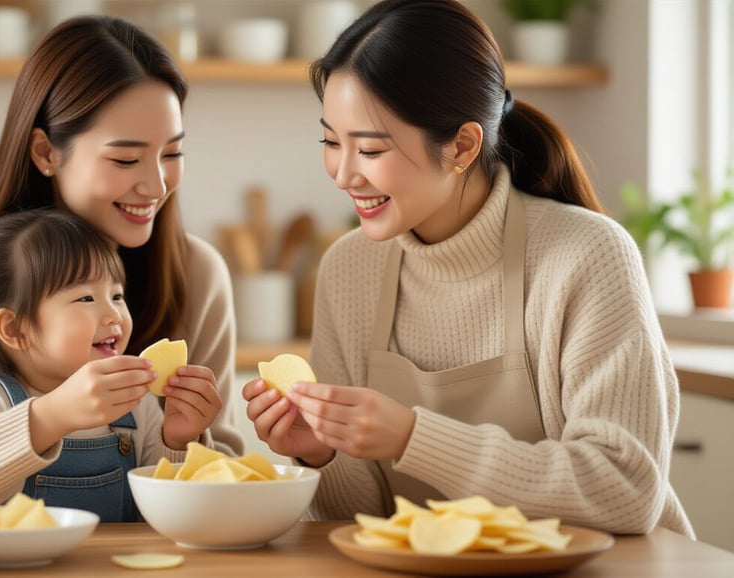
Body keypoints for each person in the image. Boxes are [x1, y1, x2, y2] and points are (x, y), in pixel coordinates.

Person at [243, 0, 693, 536]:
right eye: (330, 142)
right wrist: (323, 453)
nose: (342, 174)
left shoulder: (587, 255)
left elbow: (625, 490)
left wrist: (415, 438)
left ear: (461, 145)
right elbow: (359, 521)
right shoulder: (349, 267)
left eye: (368, 149)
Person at [0, 16, 243, 525]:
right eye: (126, 159)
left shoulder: (196, 271)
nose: (156, 185)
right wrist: (48, 416)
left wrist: (186, 439)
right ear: (46, 151)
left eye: (172, 153)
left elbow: (229, 483)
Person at [0, 210, 220, 522]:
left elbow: (165, 514)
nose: (114, 315)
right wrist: (52, 417)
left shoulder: (138, 405)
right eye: (85, 298)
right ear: (15, 329)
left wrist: (177, 441)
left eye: (117, 295)